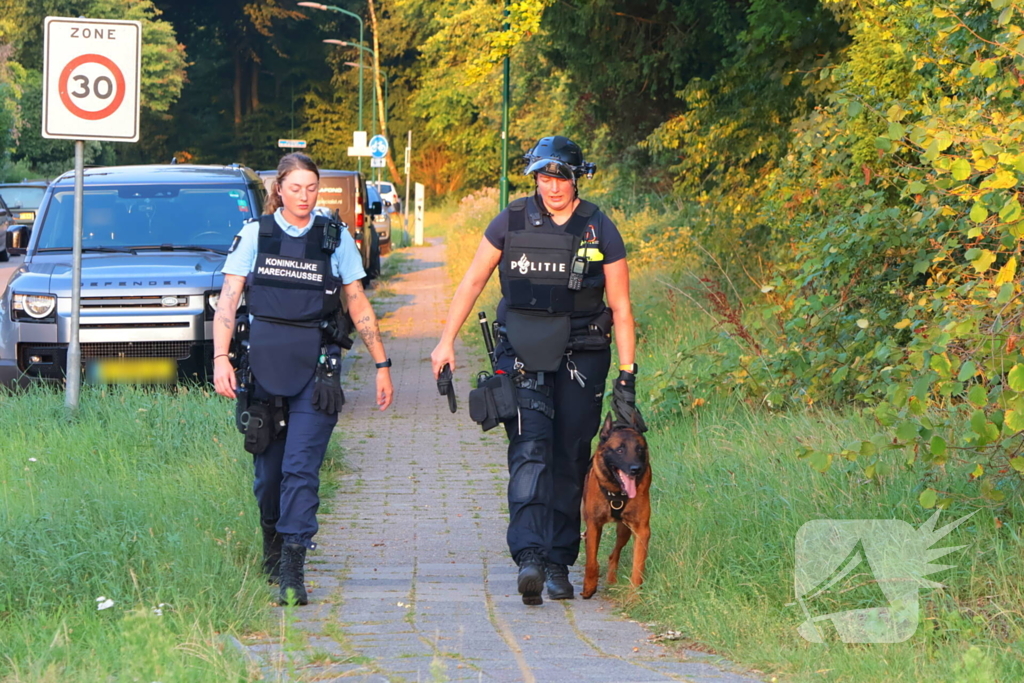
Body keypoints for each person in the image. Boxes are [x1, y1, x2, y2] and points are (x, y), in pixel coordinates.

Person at [430, 135, 646, 605]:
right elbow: (473, 280)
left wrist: (626, 377)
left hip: (583, 355)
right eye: (544, 177)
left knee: (570, 458)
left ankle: (558, 561)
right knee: (530, 452)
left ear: (577, 179)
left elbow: (622, 307)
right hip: (523, 351)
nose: (552, 187)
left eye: (560, 178)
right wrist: (446, 340)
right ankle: (529, 555)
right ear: (535, 178)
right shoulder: (509, 221)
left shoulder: (599, 228)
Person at [213, 153, 394, 606]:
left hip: (318, 374)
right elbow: (229, 298)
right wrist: (220, 358)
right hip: (261, 374)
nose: (304, 196)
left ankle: (294, 566)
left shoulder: (334, 239)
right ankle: (272, 547)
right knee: (268, 476)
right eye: (295, 188)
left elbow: (356, 301)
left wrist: (382, 364)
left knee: (300, 470)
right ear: (280, 188)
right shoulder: (256, 235)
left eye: (311, 188)